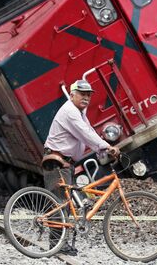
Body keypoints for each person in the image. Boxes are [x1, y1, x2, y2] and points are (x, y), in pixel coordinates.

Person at [42, 79, 120, 255]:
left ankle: (61, 244)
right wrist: (106, 147)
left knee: (65, 204)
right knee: (60, 203)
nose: (86, 98)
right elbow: (85, 134)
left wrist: (103, 149)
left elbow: (89, 131)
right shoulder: (70, 111)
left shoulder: (79, 112)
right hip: (57, 161)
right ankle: (56, 246)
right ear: (72, 95)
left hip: (65, 162)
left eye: (88, 95)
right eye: (82, 94)